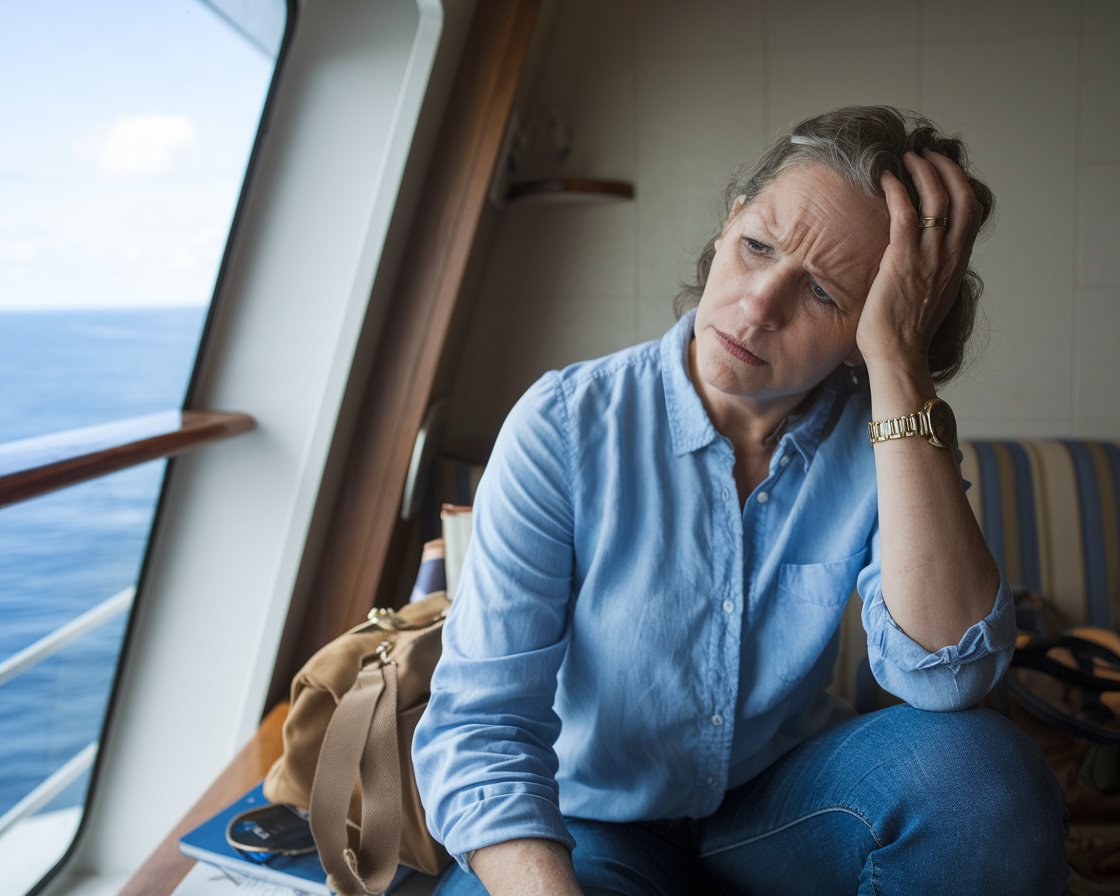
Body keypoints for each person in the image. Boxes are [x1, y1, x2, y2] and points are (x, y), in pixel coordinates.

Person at [411, 105, 1068, 895]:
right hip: (590, 822)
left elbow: (949, 680)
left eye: (824, 293)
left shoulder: (889, 434)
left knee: (982, 776)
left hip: (778, 814)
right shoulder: (564, 425)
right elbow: (483, 728)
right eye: (756, 246)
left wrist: (901, 360)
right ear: (728, 224)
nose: (759, 305)